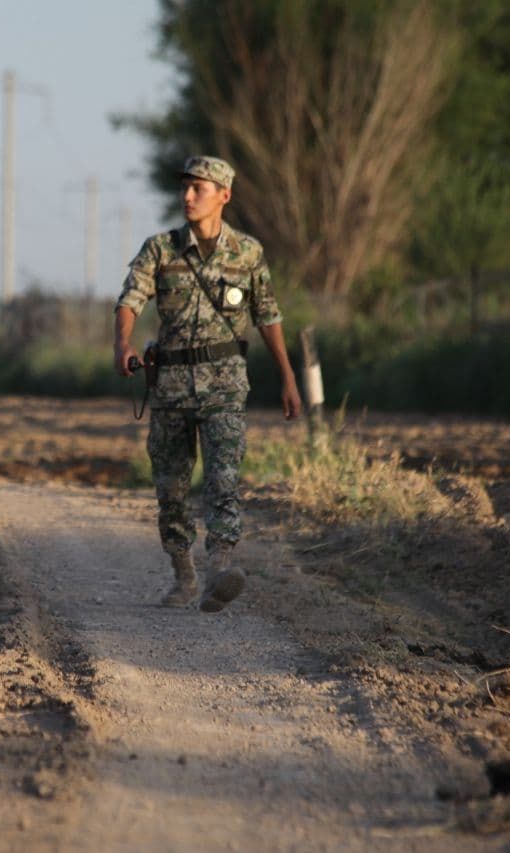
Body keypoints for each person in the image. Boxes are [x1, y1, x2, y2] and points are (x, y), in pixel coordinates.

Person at [113, 156, 302, 612]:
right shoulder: (160, 249)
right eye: (185, 188)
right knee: (172, 489)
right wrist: (122, 344)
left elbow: (268, 317)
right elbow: (130, 299)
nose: (188, 196)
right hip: (171, 389)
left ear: (224, 195)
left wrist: (288, 377)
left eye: (199, 188)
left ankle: (221, 567)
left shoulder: (249, 253)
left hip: (226, 387)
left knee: (224, 480)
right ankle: (184, 578)